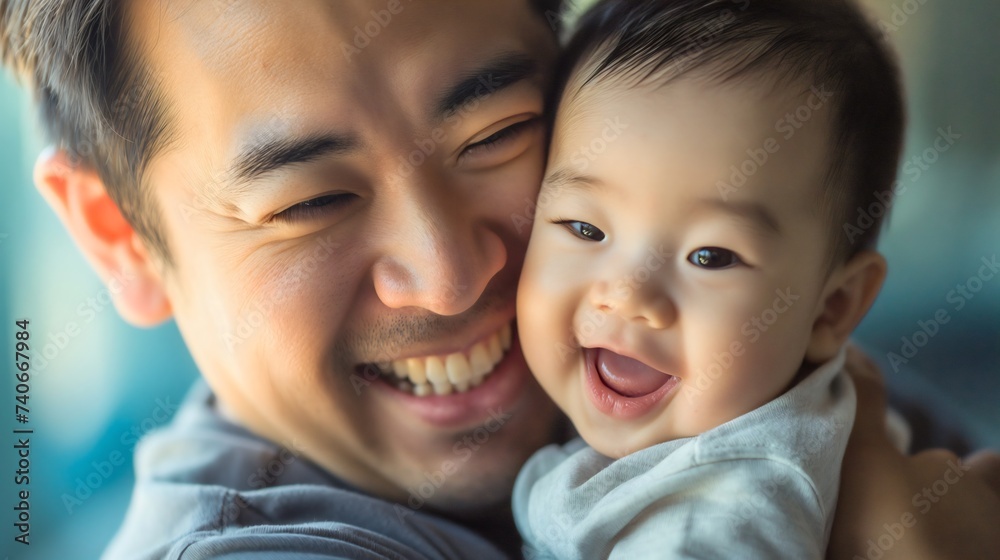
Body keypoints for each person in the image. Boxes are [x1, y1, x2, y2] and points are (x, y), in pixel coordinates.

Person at [0, 1, 997, 558]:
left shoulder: (705, 356)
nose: (448, 273)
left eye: (499, 134)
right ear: (120, 237)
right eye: (310, 202)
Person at [510, 0, 902, 557]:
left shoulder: (718, 515)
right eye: (584, 227)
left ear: (833, 307)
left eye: (710, 257)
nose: (627, 295)